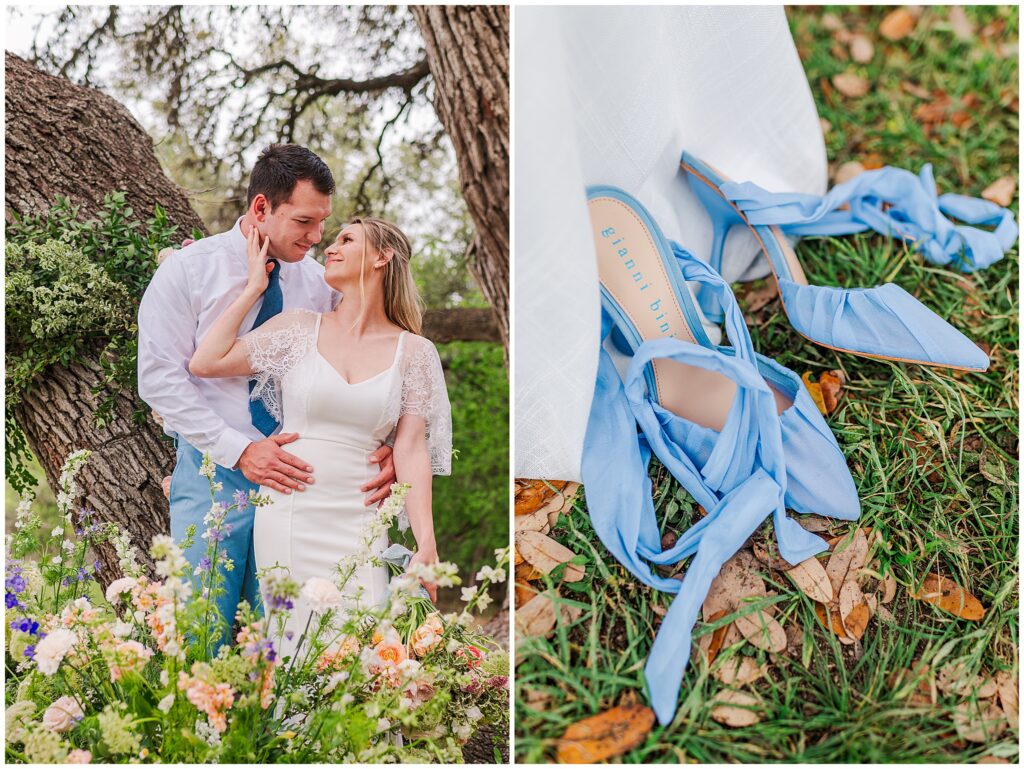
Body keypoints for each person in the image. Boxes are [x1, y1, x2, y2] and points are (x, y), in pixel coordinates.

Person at [137, 145, 397, 647]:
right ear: (261, 209)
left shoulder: (320, 285)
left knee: (279, 630)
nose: (317, 237)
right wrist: (240, 449)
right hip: (214, 468)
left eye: (323, 222)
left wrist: (379, 440)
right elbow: (160, 379)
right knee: (199, 625)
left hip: (297, 477)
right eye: (304, 221)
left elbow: (359, 361)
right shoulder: (188, 272)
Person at [188, 215, 451, 659]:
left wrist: (427, 541)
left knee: (366, 649)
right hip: (291, 508)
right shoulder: (296, 329)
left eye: (346, 239)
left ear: (382, 257)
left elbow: (410, 447)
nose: (329, 247)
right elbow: (206, 362)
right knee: (295, 645)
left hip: (362, 518)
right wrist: (253, 286)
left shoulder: (416, 353)